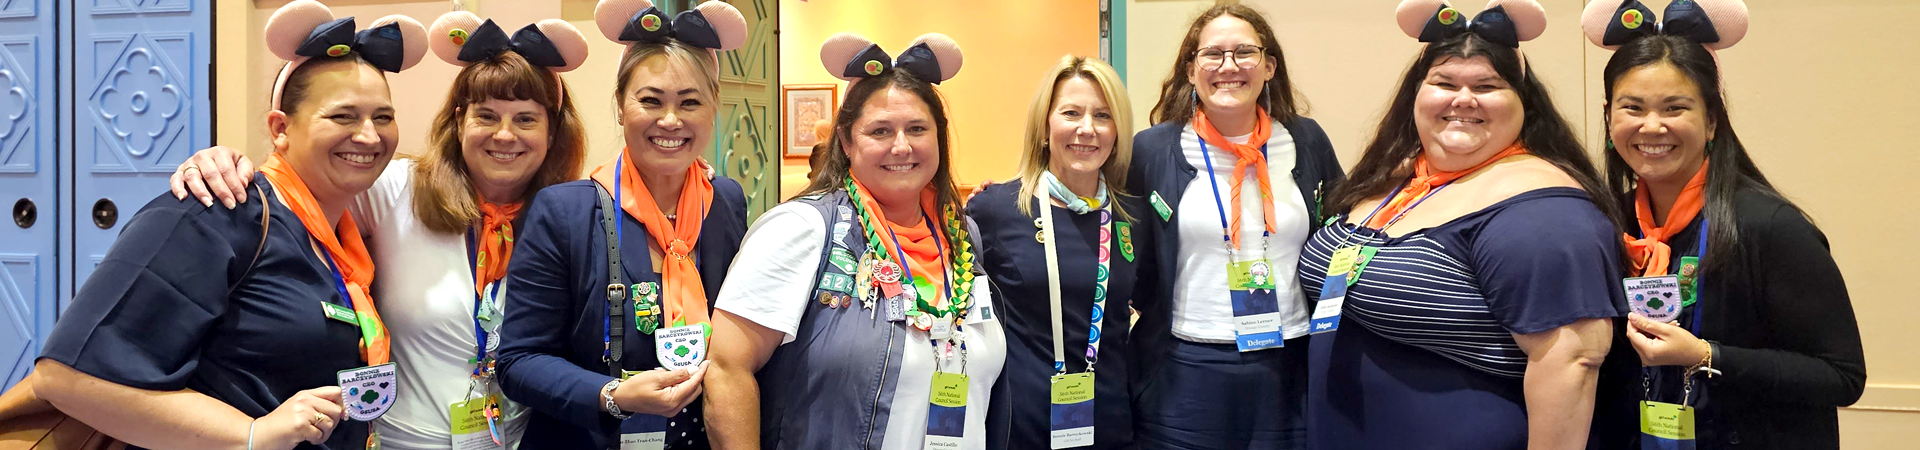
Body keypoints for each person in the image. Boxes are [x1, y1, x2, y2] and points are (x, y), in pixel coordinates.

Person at [164, 10, 594, 449]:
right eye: (486, 115)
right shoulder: (395, 189)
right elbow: (297, 191)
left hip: (520, 440)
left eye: (526, 119)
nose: (505, 135)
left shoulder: (568, 219)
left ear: (553, 131)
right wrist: (227, 163)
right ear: (460, 120)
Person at [30, 2, 427, 448]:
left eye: (383, 117)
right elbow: (63, 377)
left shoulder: (348, 232)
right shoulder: (214, 211)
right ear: (281, 128)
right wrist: (251, 434)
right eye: (343, 116)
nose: (370, 136)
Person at [1295, 1, 1631, 449]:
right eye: (1444, 82)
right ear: (1417, 92)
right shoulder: (1400, 177)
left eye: (1487, 85)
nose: (1463, 99)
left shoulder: (1543, 212)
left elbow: (1574, 360)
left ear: (1522, 102)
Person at [1582, 1, 1866, 447]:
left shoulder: (1769, 226)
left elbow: (1842, 376)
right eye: (1632, 108)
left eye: (1675, 108)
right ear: (1608, 115)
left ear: (1711, 120)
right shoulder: (1605, 223)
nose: (1651, 127)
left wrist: (1706, 356)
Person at [702, 32, 1004, 449]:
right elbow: (726, 368)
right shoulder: (801, 228)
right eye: (880, 131)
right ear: (845, 141)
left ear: (939, 137)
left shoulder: (961, 236)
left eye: (917, 128)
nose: (902, 146)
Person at [493, 1, 748, 448]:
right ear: (620, 105)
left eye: (690, 102)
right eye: (650, 101)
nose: (671, 120)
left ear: (714, 110)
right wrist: (610, 394)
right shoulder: (565, 212)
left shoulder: (724, 201)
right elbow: (518, 361)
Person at [1125, 3, 1342, 448]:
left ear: (1269, 66)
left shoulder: (1307, 140)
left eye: (1245, 52)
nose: (1229, 67)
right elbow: (1112, 226)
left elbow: (1344, 224)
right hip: (1183, 367)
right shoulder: (1152, 149)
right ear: (1191, 70)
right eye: (1212, 55)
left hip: (1289, 365)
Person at [966, 55, 1148, 449]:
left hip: (1110, 420)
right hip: (1021, 424)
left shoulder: (1130, 216)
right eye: (1071, 113)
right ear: (1045, 127)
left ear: (1118, 131)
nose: (1087, 129)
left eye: (1103, 115)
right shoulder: (996, 209)